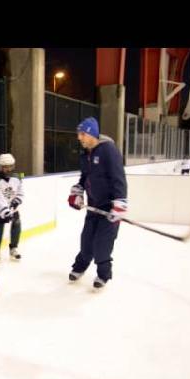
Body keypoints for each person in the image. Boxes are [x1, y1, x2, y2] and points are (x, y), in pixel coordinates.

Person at [67, 117, 128, 289]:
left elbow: (119, 178)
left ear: (92, 133)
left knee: (102, 247)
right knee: (86, 242)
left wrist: (120, 204)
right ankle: (80, 267)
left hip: (109, 208)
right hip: (93, 208)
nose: (79, 138)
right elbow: (84, 178)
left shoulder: (108, 150)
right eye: (79, 134)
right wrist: (77, 192)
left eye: (82, 134)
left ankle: (104, 274)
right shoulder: (85, 155)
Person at [0, 153, 25, 261]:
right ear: (0, 167)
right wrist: (5, 211)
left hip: (13, 209)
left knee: (16, 226)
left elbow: (20, 191)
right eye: (5, 167)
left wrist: (16, 201)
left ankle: (13, 248)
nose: (8, 169)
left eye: (10, 166)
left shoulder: (17, 178)